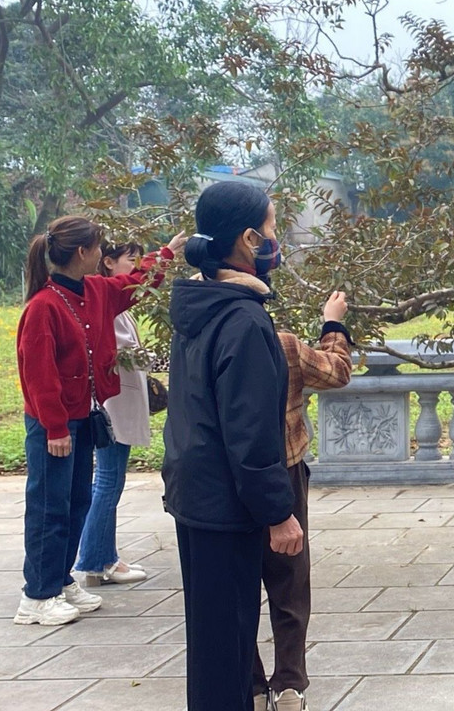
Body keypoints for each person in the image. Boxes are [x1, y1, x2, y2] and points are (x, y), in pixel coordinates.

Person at [164, 182, 304, 711]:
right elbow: (249, 432)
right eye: (271, 228)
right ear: (248, 239)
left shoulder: (200, 303)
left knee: (213, 646)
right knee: (228, 647)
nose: (276, 239)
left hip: (196, 497)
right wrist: (277, 512)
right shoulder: (243, 319)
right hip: (225, 505)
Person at [14, 217, 182, 626]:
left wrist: (168, 254)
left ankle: (61, 580)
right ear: (82, 253)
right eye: (98, 246)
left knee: (76, 502)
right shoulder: (43, 306)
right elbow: (38, 374)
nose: (102, 252)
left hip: (86, 415)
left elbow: (137, 284)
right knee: (49, 507)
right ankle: (37, 595)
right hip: (54, 424)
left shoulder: (94, 291)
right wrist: (54, 427)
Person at [253, 291, 354, 711]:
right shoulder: (284, 345)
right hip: (283, 468)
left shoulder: (200, 337)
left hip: (224, 479)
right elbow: (337, 371)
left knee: (238, 585)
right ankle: (290, 686)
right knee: (290, 581)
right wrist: (333, 323)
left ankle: (253, 687)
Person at [74, 242, 156, 587]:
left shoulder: (112, 301)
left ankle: (103, 557)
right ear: (107, 262)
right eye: (131, 261)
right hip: (113, 406)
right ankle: (95, 559)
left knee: (109, 480)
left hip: (117, 403)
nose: (136, 268)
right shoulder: (106, 302)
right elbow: (121, 354)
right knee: (108, 481)